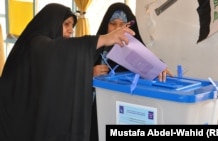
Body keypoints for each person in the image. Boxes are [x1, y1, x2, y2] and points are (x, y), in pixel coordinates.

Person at [0, 3, 135, 141]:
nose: (71, 30)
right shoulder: (34, 43)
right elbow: (56, 52)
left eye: (72, 26)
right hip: (17, 122)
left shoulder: (47, 47)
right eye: (66, 24)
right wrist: (104, 39)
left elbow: (59, 73)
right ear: (51, 23)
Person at [93, 2, 172, 81]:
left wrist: (160, 69)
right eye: (113, 24)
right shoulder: (94, 48)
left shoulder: (134, 49)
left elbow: (149, 62)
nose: (117, 29)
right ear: (106, 25)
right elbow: (81, 70)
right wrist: (91, 73)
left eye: (122, 24)